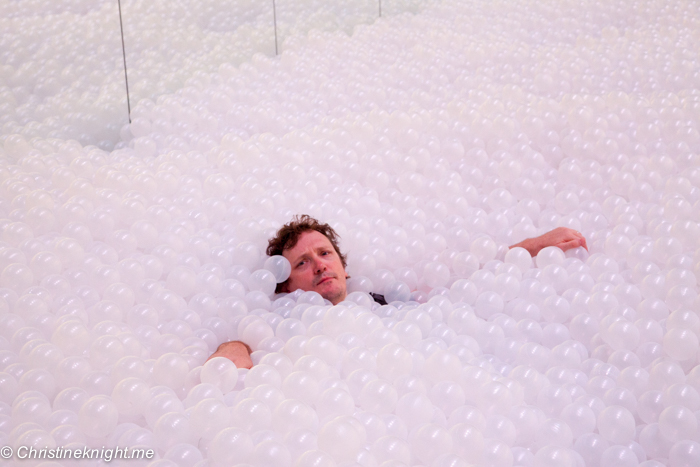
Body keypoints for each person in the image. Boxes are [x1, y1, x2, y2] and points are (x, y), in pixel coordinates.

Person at [207, 215, 588, 368]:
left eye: (325, 253)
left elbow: (458, 293)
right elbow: (240, 343)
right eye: (302, 262)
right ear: (286, 283)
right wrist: (230, 361)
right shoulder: (284, 321)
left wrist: (528, 247)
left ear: (342, 265)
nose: (320, 263)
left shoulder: (381, 301)